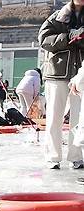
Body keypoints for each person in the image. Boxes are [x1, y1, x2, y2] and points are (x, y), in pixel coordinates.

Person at [39, 0, 84, 170]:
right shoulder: (57, 17)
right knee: (54, 117)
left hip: (80, 75)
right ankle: (53, 156)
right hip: (57, 73)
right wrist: (68, 38)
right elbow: (44, 39)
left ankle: (77, 156)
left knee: (79, 119)